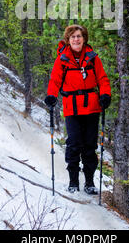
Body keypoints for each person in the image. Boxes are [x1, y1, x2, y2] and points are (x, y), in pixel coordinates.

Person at [45, 24, 111, 194]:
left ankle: (89, 182)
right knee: (74, 144)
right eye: (73, 36)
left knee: (89, 145)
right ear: (68, 39)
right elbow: (54, 80)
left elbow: (102, 79)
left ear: (84, 39)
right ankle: (73, 181)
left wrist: (105, 94)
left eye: (79, 36)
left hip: (91, 106)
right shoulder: (62, 59)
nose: (76, 39)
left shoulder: (92, 57)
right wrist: (51, 95)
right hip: (72, 107)